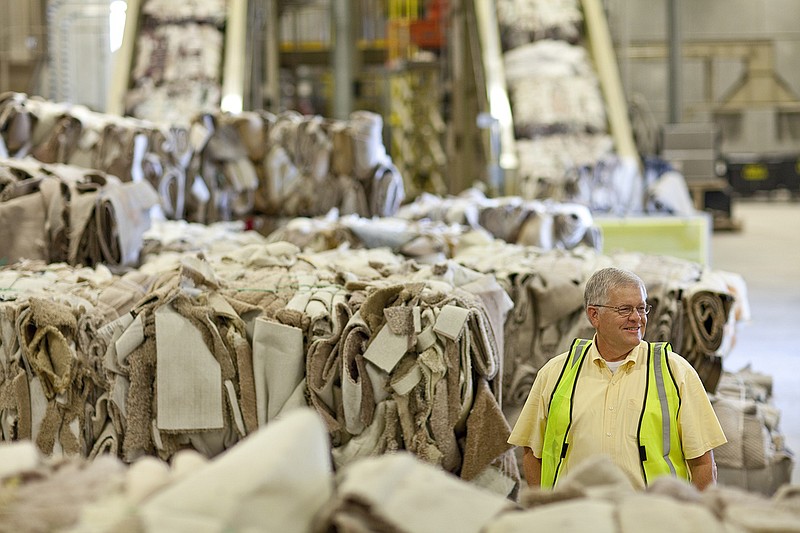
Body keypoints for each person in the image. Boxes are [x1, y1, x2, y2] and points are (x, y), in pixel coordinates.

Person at [508, 266, 727, 490]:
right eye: (624, 309)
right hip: (576, 518)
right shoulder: (555, 373)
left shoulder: (676, 372)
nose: (637, 318)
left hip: (651, 519)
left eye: (642, 309)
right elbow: (532, 454)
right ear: (594, 315)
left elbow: (703, 463)